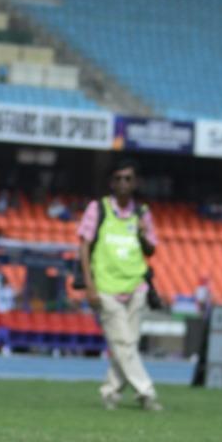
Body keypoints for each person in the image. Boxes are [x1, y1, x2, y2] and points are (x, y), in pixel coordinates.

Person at [77, 160, 162, 411]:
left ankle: (110, 392)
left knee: (127, 345)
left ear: (136, 183)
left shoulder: (142, 213)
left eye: (128, 178)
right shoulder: (98, 209)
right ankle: (146, 392)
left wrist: (142, 233)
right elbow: (83, 246)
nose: (123, 183)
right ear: (111, 183)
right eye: (118, 178)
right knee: (124, 343)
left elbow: (151, 250)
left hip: (136, 287)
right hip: (106, 288)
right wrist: (89, 285)